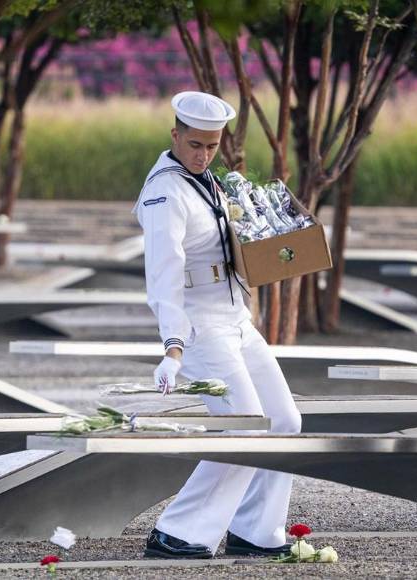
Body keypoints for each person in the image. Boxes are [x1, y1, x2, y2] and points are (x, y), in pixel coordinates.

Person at [132, 91, 302, 559]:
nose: (203, 155)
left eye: (212, 146)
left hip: (234, 317)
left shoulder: (209, 181)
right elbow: (162, 277)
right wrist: (172, 347)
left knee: (284, 421)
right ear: (175, 135)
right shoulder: (165, 193)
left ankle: (256, 530)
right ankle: (178, 532)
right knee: (244, 426)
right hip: (198, 325)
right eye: (194, 145)